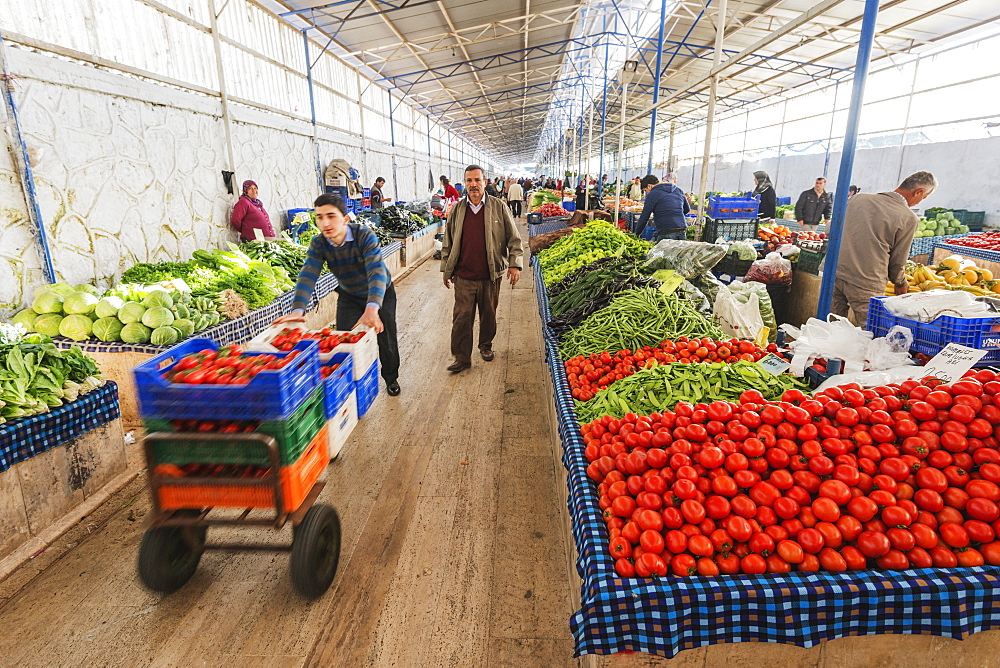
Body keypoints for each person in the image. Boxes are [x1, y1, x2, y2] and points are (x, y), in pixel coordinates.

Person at [274, 193, 401, 396]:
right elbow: (308, 274)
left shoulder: (364, 235)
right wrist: (298, 309)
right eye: (320, 217)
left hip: (380, 294)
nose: (325, 223)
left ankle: (391, 377)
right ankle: (348, 385)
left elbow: (376, 271)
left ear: (345, 219)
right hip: (349, 295)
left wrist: (372, 309)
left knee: (386, 339)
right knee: (343, 341)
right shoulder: (319, 243)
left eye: (331, 216)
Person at [441, 165, 523, 373]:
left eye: (477, 180)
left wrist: (514, 264)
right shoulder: (458, 209)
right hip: (463, 275)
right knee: (461, 317)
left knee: (489, 314)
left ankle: (485, 346)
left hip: (490, 273)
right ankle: (462, 357)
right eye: (469, 181)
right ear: (465, 184)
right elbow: (447, 242)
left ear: (485, 182)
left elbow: (514, 238)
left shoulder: (498, 206)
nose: (473, 185)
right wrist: (446, 269)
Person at [832, 171, 937, 327]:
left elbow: (830, 230)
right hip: (867, 281)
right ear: (918, 192)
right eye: (924, 197)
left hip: (834, 272)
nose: (921, 201)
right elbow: (898, 260)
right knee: (869, 330)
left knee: (831, 326)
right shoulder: (908, 217)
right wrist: (900, 283)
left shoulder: (858, 199)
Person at [635, 174, 690, 241]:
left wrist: (636, 234)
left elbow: (645, 216)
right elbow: (687, 209)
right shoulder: (678, 190)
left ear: (649, 186)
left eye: (645, 190)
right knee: (679, 251)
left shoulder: (653, 194)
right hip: (682, 227)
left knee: (664, 251)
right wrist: (675, 214)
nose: (647, 193)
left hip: (666, 229)